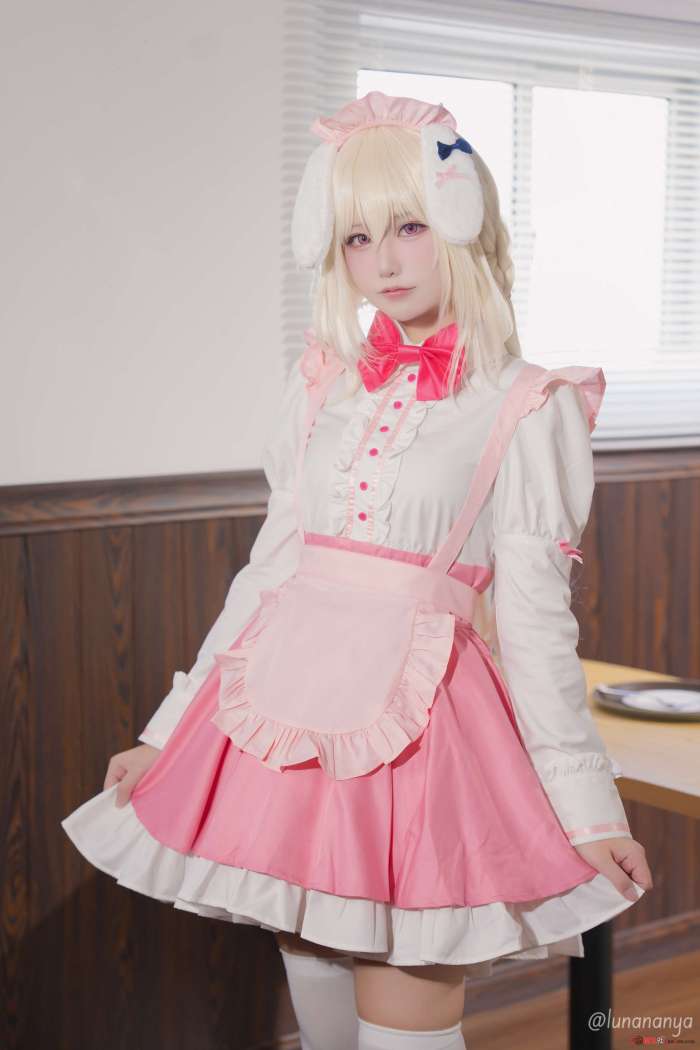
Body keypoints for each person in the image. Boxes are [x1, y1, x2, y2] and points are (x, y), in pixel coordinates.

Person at [61, 91, 653, 1050]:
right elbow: (268, 577)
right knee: (325, 1033)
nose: (383, 260)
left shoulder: (526, 404)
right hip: (287, 737)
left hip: (424, 750)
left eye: (409, 227)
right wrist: (166, 733)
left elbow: (538, 627)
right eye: (356, 237)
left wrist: (589, 813)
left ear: (461, 223)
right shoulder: (321, 386)